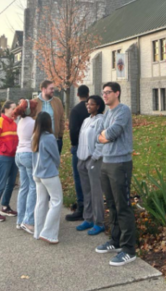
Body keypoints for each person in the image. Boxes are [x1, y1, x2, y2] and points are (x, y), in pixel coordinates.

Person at [95, 82, 136, 267]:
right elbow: (99, 135)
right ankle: (116, 240)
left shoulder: (123, 111)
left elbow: (112, 133)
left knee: (122, 205)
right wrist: (105, 136)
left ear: (117, 93)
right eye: (103, 93)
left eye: (108, 92)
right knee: (111, 204)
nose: (104, 95)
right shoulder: (106, 113)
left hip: (120, 163)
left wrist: (105, 136)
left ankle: (129, 249)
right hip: (106, 162)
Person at [76, 95, 105, 235]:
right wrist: (80, 160)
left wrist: (94, 157)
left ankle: (99, 222)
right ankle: (88, 218)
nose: (88, 106)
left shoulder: (101, 120)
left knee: (96, 192)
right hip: (82, 160)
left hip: (94, 160)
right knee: (86, 191)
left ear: (98, 106)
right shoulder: (86, 120)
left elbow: (102, 141)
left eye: (92, 104)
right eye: (87, 104)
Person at [32, 112, 62, 244]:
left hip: (37, 173)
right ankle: (48, 233)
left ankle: (38, 232)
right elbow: (56, 156)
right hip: (48, 173)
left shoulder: (35, 136)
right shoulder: (49, 137)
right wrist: (57, 166)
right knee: (56, 201)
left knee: (41, 202)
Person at [0, 101, 18, 222]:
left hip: (13, 157)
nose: (14, 111)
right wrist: (5, 149)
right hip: (3, 157)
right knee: (1, 184)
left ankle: (5, 207)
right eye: (13, 108)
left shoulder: (14, 123)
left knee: (11, 183)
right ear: (5, 109)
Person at [13, 99, 37, 234]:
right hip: (28, 155)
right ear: (30, 110)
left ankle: (20, 220)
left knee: (24, 188)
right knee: (33, 188)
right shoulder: (33, 123)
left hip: (19, 155)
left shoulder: (20, 122)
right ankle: (28, 221)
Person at [65, 85, 89, 221]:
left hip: (79, 145)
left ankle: (81, 206)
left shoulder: (75, 110)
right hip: (91, 146)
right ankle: (87, 203)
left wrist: (73, 144)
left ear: (78, 94)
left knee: (79, 176)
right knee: (89, 176)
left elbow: (73, 130)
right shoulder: (93, 108)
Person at [34, 80, 65, 154]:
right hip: (39, 140)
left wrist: (60, 135)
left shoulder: (57, 102)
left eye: (53, 88)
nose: (53, 91)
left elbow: (62, 119)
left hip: (55, 139)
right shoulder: (35, 102)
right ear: (43, 89)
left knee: (54, 163)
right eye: (51, 89)